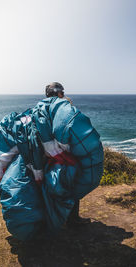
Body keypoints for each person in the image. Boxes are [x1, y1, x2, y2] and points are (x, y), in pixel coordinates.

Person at [45, 82, 90, 226]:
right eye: (62, 93)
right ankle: (73, 220)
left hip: (46, 157)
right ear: (58, 93)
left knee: (52, 188)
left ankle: (56, 218)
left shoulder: (41, 108)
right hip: (64, 158)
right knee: (71, 187)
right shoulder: (64, 108)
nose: (63, 95)